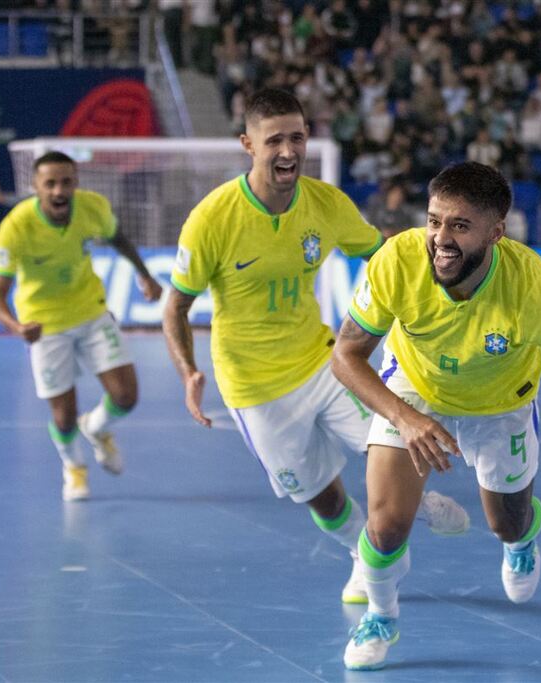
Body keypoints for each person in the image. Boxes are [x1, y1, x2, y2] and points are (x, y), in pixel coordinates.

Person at [161, 88, 469, 607]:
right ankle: (359, 551)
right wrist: (188, 370)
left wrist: (441, 280)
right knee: (322, 498)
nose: (288, 151)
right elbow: (175, 307)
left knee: (388, 445)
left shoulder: (325, 204)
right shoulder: (211, 219)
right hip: (254, 387)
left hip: (321, 361)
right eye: (274, 140)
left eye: (297, 137)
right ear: (247, 144)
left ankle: (411, 513)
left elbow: (383, 256)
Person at [332, 162, 541, 670]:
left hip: (500, 400)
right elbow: (345, 354)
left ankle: (522, 538)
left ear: (496, 232)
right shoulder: (398, 261)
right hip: (415, 388)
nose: (440, 239)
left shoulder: (534, 291)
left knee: (505, 521)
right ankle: (381, 615)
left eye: (459, 226)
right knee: (387, 524)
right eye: (434, 221)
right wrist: (404, 417)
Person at [0, 151, 162, 502]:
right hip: (44, 325)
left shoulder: (93, 207)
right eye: (49, 183)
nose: (58, 190)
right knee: (63, 416)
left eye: (66, 181)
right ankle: (74, 467)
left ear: (76, 183)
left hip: (91, 311)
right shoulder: (16, 226)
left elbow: (119, 239)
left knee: (126, 397)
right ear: (35, 187)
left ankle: (96, 428)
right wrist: (17, 327)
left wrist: (145, 275)